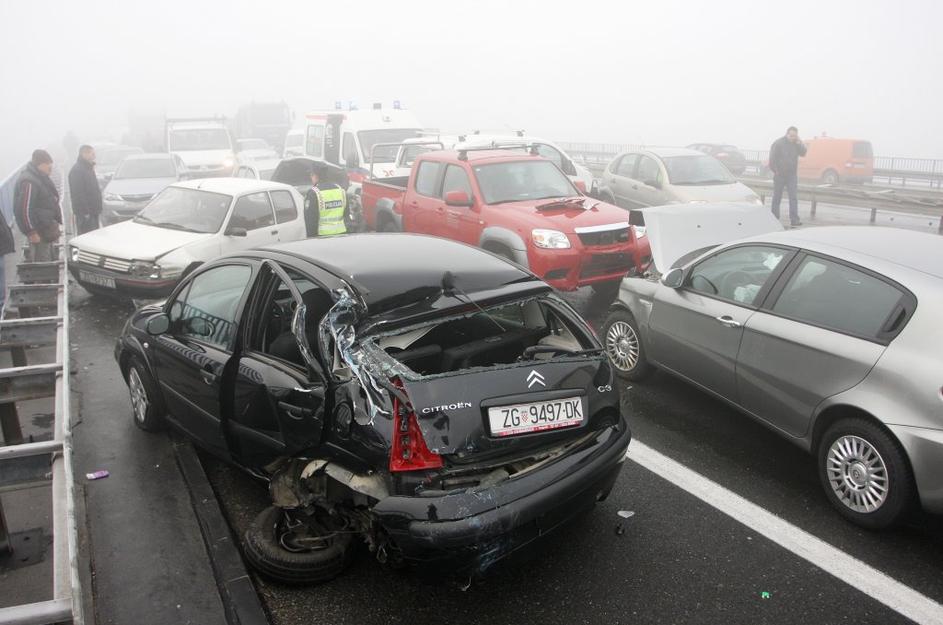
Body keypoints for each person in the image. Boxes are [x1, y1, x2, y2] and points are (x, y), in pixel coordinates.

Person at [14, 149, 62, 261]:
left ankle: (47, 277)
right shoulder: (29, 182)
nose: (50, 169)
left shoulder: (39, 177)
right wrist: (31, 232)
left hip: (45, 228)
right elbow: (24, 209)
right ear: (41, 165)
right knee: (42, 261)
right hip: (39, 230)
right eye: (48, 166)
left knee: (47, 257)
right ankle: (44, 279)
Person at [769, 126, 807, 227]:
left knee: (793, 198)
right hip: (779, 175)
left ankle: (794, 220)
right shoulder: (778, 143)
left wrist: (800, 143)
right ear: (787, 134)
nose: (792, 138)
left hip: (792, 175)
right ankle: (774, 219)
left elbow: (803, 153)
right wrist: (776, 171)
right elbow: (772, 159)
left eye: (795, 136)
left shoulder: (796, 143)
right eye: (791, 136)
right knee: (777, 197)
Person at [304, 162, 348, 237]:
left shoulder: (313, 193)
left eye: (311, 175)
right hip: (342, 236)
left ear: (315, 176)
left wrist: (311, 240)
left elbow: (310, 222)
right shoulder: (341, 190)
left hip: (322, 238)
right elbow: (346, 215)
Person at [68, 144, 102, 234]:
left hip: (93, 211)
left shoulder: (88, 168)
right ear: (84, 154)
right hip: (86, 214)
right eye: (92, 153)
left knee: (94, 237)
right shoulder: (77, 171)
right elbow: (78, 194)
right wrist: (85, 212)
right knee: (86, 237)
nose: (94, 156)